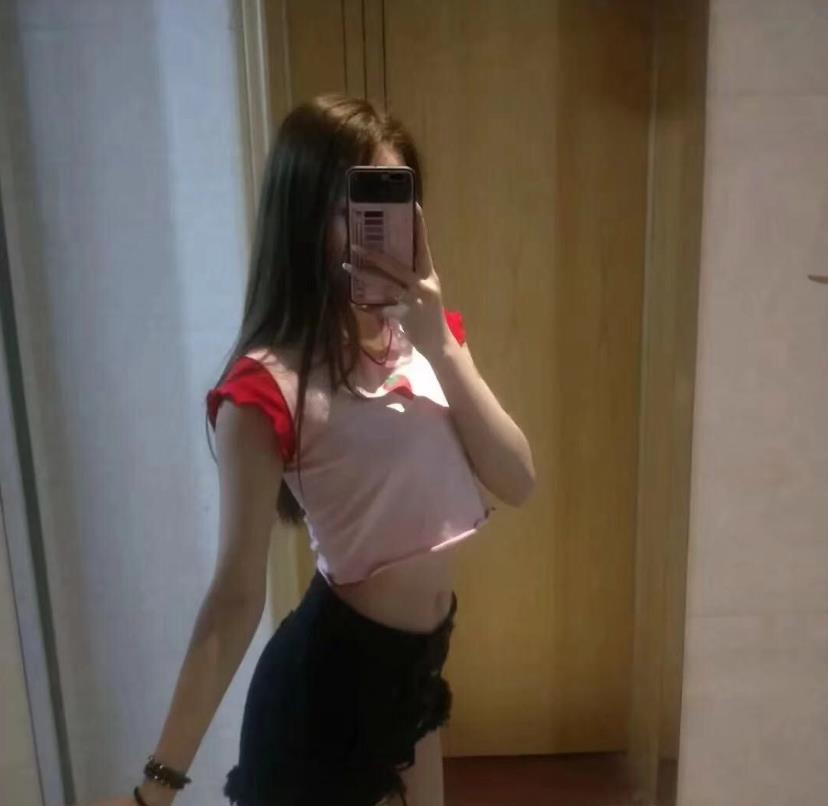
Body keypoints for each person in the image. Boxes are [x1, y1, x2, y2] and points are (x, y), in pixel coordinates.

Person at [122, 94, 535, 806]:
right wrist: (154, 789)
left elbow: (517, 478)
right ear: (305, 218)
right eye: (355, 210)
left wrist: (441, 344)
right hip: (320, 705)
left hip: (413, 676)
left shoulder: (428, 342)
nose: (380, 235)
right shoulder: (264, 387)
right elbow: (234, 598)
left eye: (393, 207)